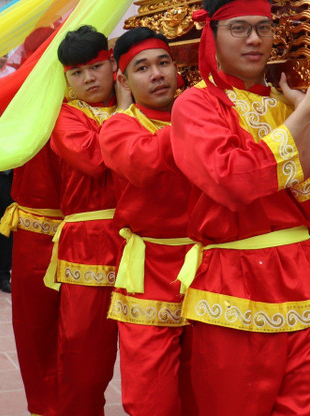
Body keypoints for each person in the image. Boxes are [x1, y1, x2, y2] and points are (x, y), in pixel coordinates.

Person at [170, 0, 310, 415]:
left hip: (307, 279)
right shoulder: (195, 106)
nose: (255, 39)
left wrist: (303, 111)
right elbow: (231, 180)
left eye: (264, 27)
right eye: (239, 28)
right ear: (210, 33)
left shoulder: (289, 101)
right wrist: (309, 110)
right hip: (234, 284)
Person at [99, 28, 192, 416]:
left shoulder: (204, 112)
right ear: (122, 80)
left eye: (164, 63)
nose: (157, 74)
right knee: (150, 397)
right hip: (149, 271)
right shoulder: (119, 127)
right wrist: (197, 115)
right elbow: (146, 163)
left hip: (209, 267)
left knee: (207, 389)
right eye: (142, 68)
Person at [46, 26, 122, 416]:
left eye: (95, 67)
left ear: (112, 65)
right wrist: (127, 113)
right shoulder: (64, 117)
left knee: (155, 359)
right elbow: (95, 161)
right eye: (77, 73)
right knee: (82, 360)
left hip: (145, 244)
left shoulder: (148, 103)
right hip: (87, 246)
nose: (89, 79)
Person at [0, 26, 62, 416]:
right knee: (36, 329)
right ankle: (45, 407)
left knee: (82, 339)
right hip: (36, 232)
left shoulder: (99, 104)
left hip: (90, 234)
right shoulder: (21, 107)